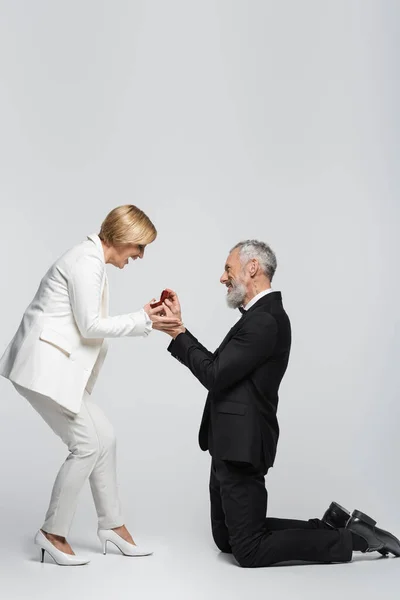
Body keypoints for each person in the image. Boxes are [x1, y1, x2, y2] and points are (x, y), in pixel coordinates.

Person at [160, 239, 400, 567]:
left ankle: (353, 538)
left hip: (242, 447)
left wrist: (177, 332)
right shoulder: (258, 317)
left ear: (253, 267)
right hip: (226, 444)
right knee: (227, 539)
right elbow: (221, 369)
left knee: (249, 550)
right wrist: (179, 330)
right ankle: (331, 527)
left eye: (228, 269)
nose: (222, 277)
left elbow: (214, 374)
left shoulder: (264, 320)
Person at [0, 204, 181, 566]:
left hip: (56, 370)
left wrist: (144, 319)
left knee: (105, 437)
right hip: (43, 369)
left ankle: (112, 526)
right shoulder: (87, 262)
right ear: (124, 238)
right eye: (139, 247)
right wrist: (144, 320)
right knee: (86, 445)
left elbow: (86, 323)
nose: (140, 256)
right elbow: (90, 326)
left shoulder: (91, 261)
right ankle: (52, 533)